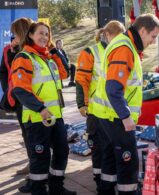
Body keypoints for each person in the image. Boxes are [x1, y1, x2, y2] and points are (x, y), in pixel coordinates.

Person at [92, 15, 159, 195]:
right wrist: (125, 116)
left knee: (110, 155)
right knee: (127, 159)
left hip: (107, 113)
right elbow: (114, 88)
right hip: (115, 115)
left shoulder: (124, 44)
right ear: (142, 31)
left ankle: (105, 190)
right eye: (153, 36)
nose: (153, 42)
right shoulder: (125, 48)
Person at [11, 22, 75, 195]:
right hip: (37, 118)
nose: (44, 37)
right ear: (30, 35)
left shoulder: (47, 58)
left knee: (62, 151)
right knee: (41, 157)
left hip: (55, 116)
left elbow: (65, 74)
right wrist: (40, 109)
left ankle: (56, 187)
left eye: (47, 34)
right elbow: (20, 90)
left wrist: (54, 52)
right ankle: (38, 190)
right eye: (40, 33)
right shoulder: (24, 57)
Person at [0, 17, 33, 193]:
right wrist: (8, 90)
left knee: (37, 135)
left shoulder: (36, 48)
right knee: (26, 133)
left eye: (15, 32)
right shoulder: (9, 50)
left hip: (36, 101)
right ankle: (32, 164)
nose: (13, 36)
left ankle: (39, 169)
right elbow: (4, 71)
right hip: (19, 101)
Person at [75, 29, 107, 192]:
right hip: (94, 110)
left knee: (110, 147)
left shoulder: (120, 50)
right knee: (98, 147)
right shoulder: (91, 52)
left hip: (113, 111)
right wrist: (82, 104)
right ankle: (99, 181)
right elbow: (81, 80)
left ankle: (108, 180)